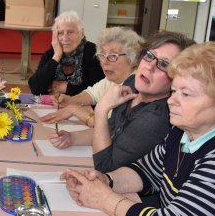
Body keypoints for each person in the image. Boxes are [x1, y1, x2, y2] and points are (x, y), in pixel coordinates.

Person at [60, 42, 215, 216]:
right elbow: (146, 171)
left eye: (185, 94)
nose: (171, 101)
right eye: (174, 91)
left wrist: (103, 198)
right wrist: (106, 180)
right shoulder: (183, 132)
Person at [50, 31, 195, 173]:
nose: (149, 67)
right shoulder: (132, 84)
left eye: (163, 64)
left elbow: (105, 166)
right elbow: (111, 131)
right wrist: (73, 137)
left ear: (177, 78)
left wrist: (101, 109)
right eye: (149, 56)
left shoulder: (156, 117)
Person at [40, 27, 142, 127]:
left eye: (113, 56)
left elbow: (109, 126)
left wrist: (73, 109)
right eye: (102, 55)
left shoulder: (134, 86)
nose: (104, 62)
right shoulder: (113, 79)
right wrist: (71, 100)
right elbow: (92, 94)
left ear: (132, 58)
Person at [28, 10, 104, 96]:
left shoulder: (93, 52)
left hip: (84, 107)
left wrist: (66, 88)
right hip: (53, 106)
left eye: (70, 32)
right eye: (60, 33)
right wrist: (57, 56)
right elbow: (35, 88)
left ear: (82, 33)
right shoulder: (51, 53)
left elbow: (98, 90)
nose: (65, 38)